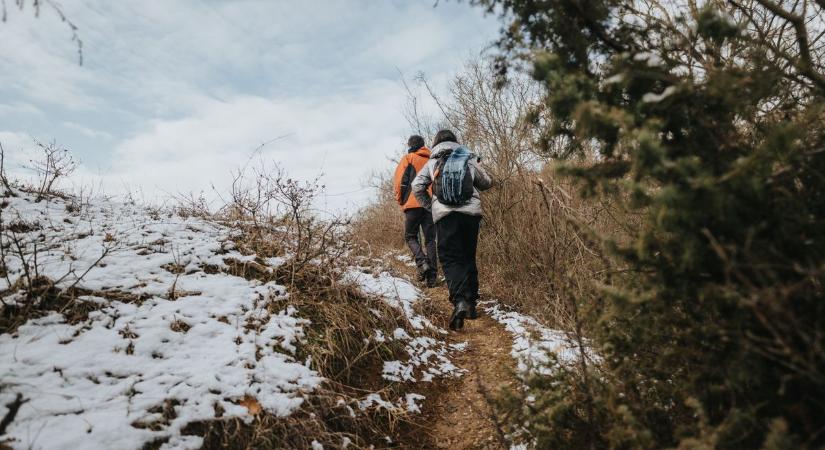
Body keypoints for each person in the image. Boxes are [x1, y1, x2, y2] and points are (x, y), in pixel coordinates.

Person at [411, 130, 493, 330]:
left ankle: (459, 300)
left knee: (450, 258)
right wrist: (478, 166)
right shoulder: (468, 157)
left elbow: (417, 186)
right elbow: (487, 182)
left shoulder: (433, 161)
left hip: (445, 216)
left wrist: (431, 207)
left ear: (436, 144)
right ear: (455, 142)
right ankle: (471, 305)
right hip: (470, 215)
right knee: (468, 256)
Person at [393, 135, 438, 287]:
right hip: (430, 204)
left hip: (412, 204)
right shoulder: (432, 160)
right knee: (430, 239)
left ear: (410, 145)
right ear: (423, 145)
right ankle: (432, 278)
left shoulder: (408, 158)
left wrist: (401, 200)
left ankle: (422, 262)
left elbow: (399, 182)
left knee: (410, 236)